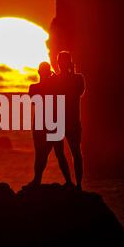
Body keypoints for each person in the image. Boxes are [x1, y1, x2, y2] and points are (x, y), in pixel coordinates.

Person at [23, 62, 73, 190]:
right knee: (42, 154)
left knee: (58, 153)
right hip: (42, 123)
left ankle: (67, 181)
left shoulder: (52, 85)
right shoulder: (34, 87)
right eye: (43, 71)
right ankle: (38, 180)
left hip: (53, 122)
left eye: (45, 71)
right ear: (40, 73)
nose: (43, 73)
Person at [55, 51, 85, 190]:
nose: (62, 64)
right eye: (60, 61)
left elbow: (79, 91)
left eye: (64, 61)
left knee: (76, 152)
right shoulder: (55, 79)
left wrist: (72, 73)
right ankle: (68, 181)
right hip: (58, 121)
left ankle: (78, 184)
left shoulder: (78, 78)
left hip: (73, 121)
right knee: (59, 152)